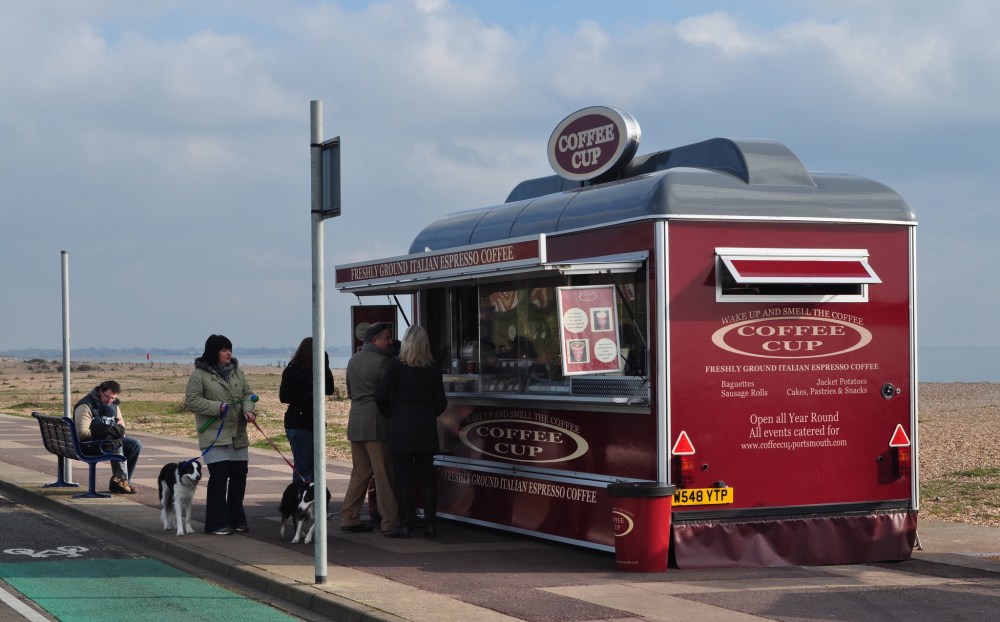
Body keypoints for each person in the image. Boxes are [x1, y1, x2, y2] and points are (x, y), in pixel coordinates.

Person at [375, 325, 448, 538]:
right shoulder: (433, 368)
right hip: (425, 426)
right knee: (427, 477)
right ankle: (430, 524)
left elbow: (380, 395)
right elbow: (441, 402)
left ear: (405, 343)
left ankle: (404, 524)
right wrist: (428, 414)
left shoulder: (396, 367)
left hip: (401, 426)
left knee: (404, 476)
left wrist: (391, 413)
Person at [185, 334, 258, 535]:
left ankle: (237, 519)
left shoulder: (237, 372)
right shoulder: (199, 375)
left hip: (238, 435)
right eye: (224, 349)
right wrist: (217, 407)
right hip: (214, 435)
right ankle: (217, 523)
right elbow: (192, 400)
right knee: (219, 478)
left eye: (230, 349)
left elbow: (248, 394)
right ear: (213, 352)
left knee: (239, 477)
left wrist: (249, 409)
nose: (228, 353)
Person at [340, 322, 398, 534]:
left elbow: (349, 391)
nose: (390, 341)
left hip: (356, 421)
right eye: (387, 338)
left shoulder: (353, 360)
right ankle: (389, 522)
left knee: (360, 474)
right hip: (376, 423)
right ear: (375, 340)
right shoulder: (384, 363)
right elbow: (390, 393)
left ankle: (349, 517)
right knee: (383, 475)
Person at [279, 337, 335, 484]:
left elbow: (329, 389)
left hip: (314, 421)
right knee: (303, 467)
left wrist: (325, 365)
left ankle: (313, 499)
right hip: (299, 421)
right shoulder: (293, 370)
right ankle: (301, 500)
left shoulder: (319, 371)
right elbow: (284, 396)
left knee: (316, 466)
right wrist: (311, 395)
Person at [73, 380, 143, 494]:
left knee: (135, 445)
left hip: (108, 442)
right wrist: (108, 434)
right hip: (89, 444)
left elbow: (122, 428)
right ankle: (121, 482)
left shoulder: (113, 404)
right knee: (115, 443)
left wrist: (112, 432)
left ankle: (121, 482)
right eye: (108, 397)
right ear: (100, 391)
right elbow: (82, 433)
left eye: (113, 398)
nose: (110, 401)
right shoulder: (85, 405)